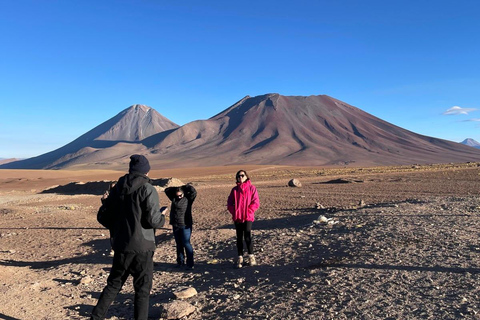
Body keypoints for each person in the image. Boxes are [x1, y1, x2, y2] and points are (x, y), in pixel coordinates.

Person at [91, 154, 166, 320]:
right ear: (146, 170)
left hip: (121, 246)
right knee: (142, 290)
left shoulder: (117, 189)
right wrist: (162, 217)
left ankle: (95, 317)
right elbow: (153, 220)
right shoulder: (148, 189)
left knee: (113, 285)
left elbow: (105, 218)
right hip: (143, 247)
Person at [227, 170, 260, 268]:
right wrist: (235, 212)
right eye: (238, 176)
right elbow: (229, 204)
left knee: (247, 235)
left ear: (246, 177)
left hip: (247, 217)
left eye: (242, 175)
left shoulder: (252, 188)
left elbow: (256, 202)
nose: (240, 177)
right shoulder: (234, 190)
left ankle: (251, 257)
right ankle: (240, 257)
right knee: (239, 237)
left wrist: (248, 211)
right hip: (237, 217)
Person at [164, 184, 197, 269]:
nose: (179, 197)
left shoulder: (188, 199)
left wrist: (184, 187)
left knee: (186, 243)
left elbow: (193, 191)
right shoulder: (174, 199)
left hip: (185, 225)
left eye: (180, 195)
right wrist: (177, 188)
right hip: (175, 224)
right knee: (179, 244)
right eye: (177, 195)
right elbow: (167, 190)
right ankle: (180, 262)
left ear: (184, 194)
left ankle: (190, 264)